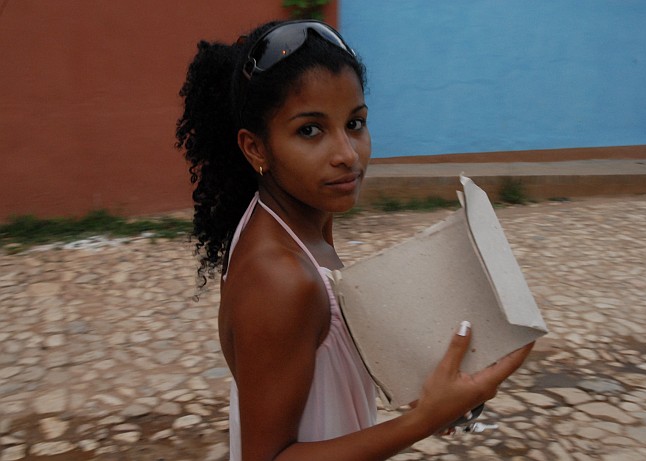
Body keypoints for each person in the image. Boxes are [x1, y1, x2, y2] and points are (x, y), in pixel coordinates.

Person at [176, 19, 534, 461]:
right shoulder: (280, 276)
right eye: (310, 130)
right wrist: (420, 421)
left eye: (355, 123)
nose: (347, 154)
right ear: (256, 149)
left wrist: (441, 397)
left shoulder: (300, 225)